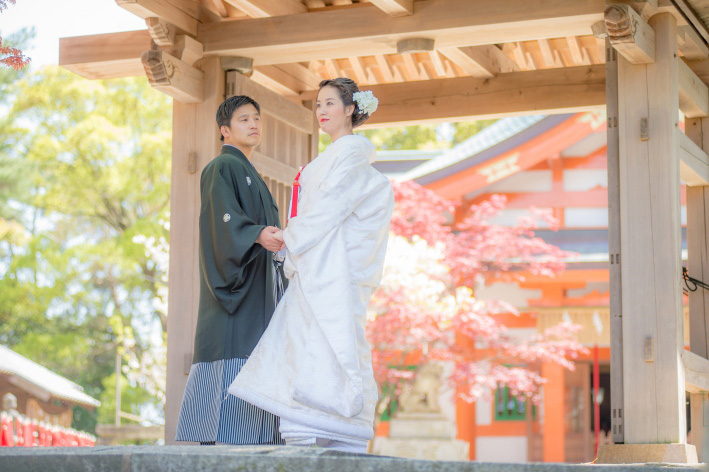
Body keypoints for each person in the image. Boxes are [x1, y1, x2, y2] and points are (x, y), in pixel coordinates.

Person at [228, 78, 394, 453]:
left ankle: (330, 414)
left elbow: (332, 205)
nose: (321, 111)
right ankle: (310, 414)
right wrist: (296, 237)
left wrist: (292, 236)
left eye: (330, 104)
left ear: (351, 109)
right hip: (319, 261)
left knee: (330, 336)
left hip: (332, 266)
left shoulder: (352, 154)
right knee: (308, 338)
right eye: (318, 104)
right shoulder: (334, 157)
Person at [175, 95, 287, 446]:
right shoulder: (221, 168)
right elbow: (223, 224)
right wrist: (255, 233)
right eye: (243, 120)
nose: (253, 124)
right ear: (225, 130)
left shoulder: (252, 174)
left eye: (256, 118)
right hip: (236, 290)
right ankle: (230, 436)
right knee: (236, 349)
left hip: (257, 285)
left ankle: (255, 438)